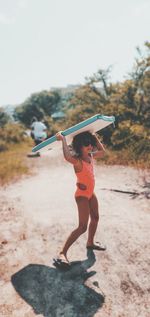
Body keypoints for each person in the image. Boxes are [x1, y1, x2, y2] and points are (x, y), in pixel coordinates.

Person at [55, 130, 106, 266]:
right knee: (82, 226)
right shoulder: (78, 161)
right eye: (85, 143)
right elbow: (67, 157)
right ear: (78, 146)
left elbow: (103, 152)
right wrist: (63, 140)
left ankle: (90, 242)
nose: (89, 146)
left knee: (95, 218)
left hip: (90, 193)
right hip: (82, 196)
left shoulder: (91, 156)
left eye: (90, 143)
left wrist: (95, 137)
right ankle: (62, 253)